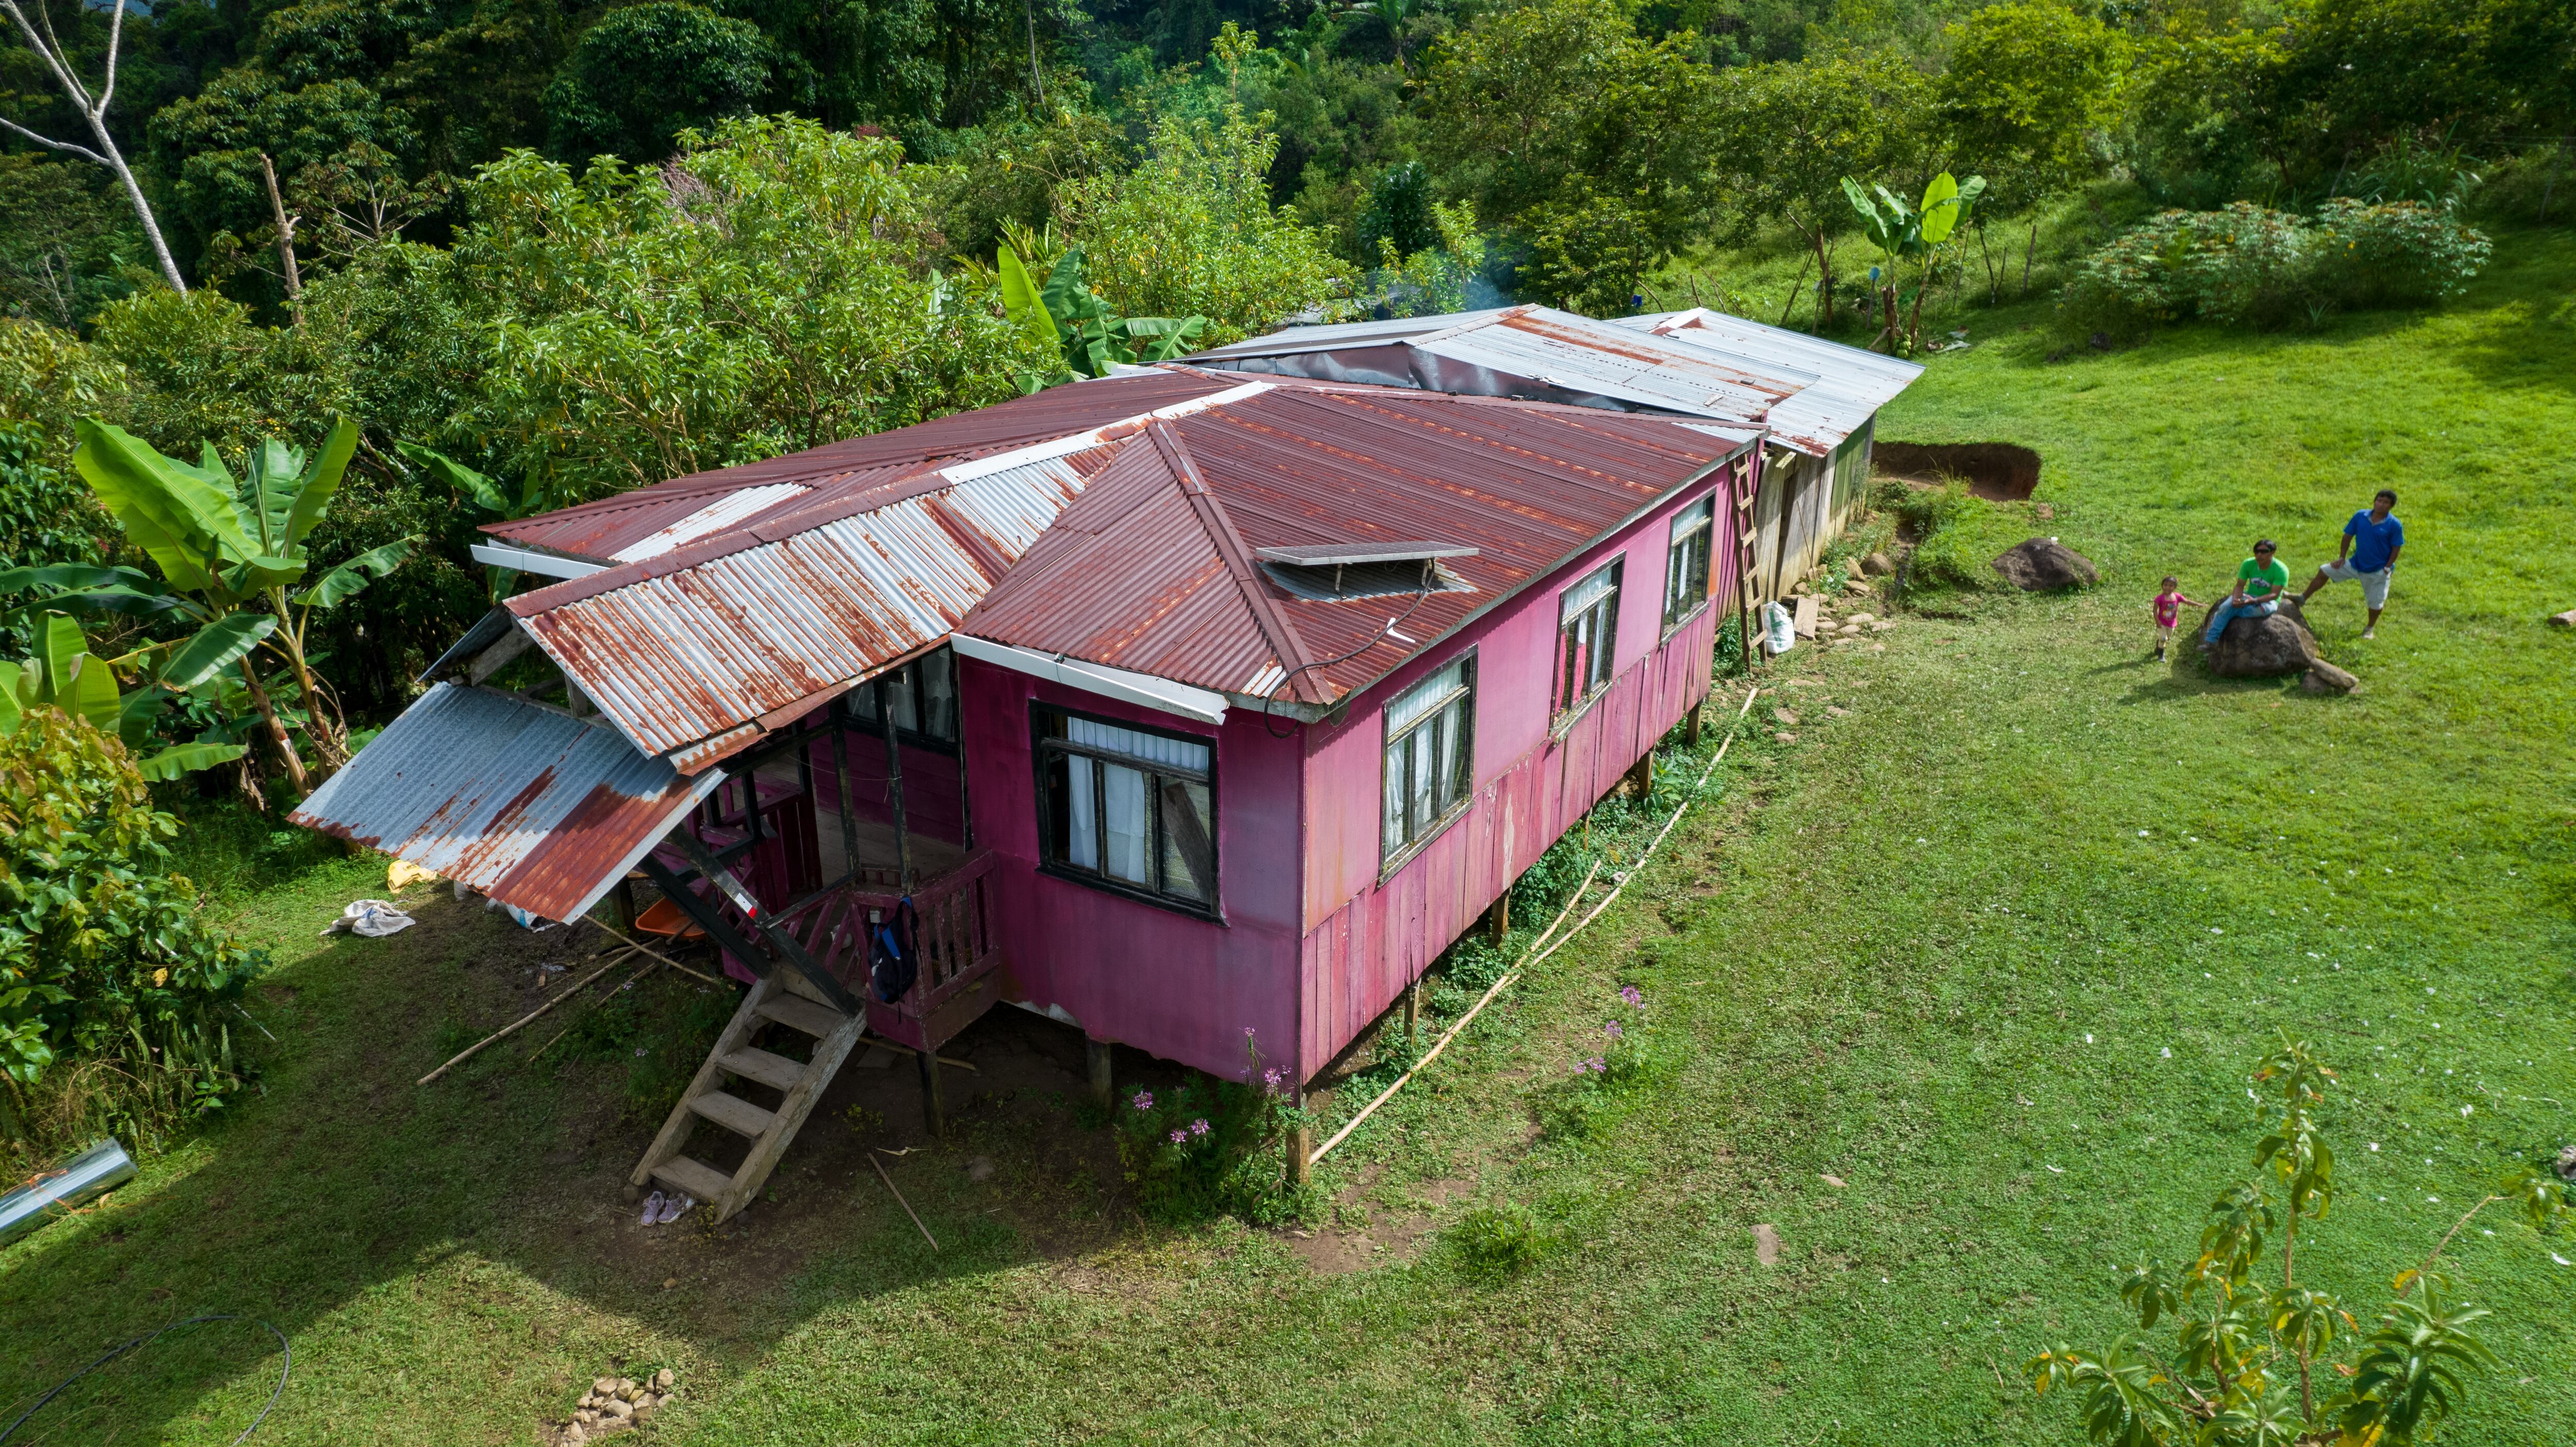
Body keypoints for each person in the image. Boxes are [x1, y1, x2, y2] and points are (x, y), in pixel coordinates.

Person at [2298, 488, 2403, 638]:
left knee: (2376, 603)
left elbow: (2396, 547)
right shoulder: (2361, 516)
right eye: (2379, 500)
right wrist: (2342, 558)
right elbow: (2347, 536)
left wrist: (2387, 567)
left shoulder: (2394, 524)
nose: (2381, 504)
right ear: (2374, 501)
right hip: (2356, 564)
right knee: (2325, 570)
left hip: (2378, 570)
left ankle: (2369, 629)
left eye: (2386, 502)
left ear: (2391, 506)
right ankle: (2302, 598)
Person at [2203, 540, 2290, 647]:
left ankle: (2228, 615)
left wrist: (2254, 601)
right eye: (2256, 551)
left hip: (2269, 602)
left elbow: (2274, 595)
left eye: (2264, 552)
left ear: (2273, 552)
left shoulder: (2281, 569)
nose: (2259, 555)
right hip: (2249, 595)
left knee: (2251, 611)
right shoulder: (2248, 564)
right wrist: (2236, 599)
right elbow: (2240, 586)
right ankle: (2210, 641)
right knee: (2224, 607)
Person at [2151, 576, 2200, 660]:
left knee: (2167, 638)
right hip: (2162, 623)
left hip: (2171, 624)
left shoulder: (2177, 597)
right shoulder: (2159, 598)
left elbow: (2187, 601)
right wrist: (2157, 621)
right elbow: (2155, 610)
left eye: (2171, 586)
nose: (2168, 587)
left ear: (2175, 587)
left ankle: (2158, 647)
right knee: (2163, 638)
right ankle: (2161, 656)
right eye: (2165, 585)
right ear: (2162, 586)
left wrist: (2198, 604)